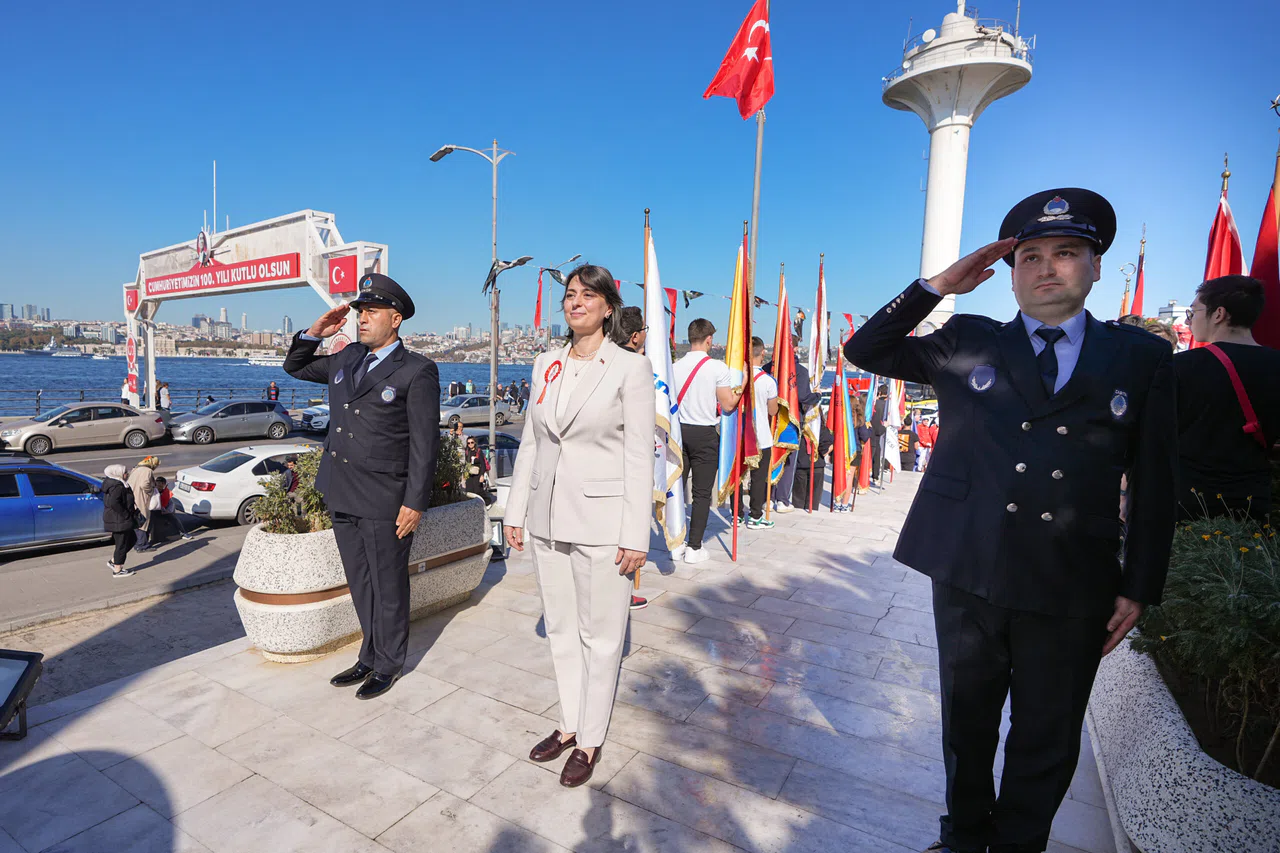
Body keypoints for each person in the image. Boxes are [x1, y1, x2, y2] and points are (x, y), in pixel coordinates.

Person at [844, 188, 1177, 853]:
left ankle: (1019, 843)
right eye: (1029, 256)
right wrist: (938, 285)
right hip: (971, 571)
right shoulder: (970, 339)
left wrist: (1138, 584)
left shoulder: (1138, 359)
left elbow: (1154, 478)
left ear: (1096, 266)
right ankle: (964, 836)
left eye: (1066, 252)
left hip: (1072, 581)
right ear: (1010, 269)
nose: (1046, 268)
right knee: (966, 726)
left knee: (1047, 737)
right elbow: (866, 348)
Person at [504, 264, 654, 788]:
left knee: (603, 636)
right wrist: (515, 509)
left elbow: (640, 456)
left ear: (607, 307)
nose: (576, 303)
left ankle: (590, 740)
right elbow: (532, 442)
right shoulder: (546, 362)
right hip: (548, 518)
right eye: (570, 294)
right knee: (563, 630)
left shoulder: (630, 368)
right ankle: (568, 724)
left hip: (603, 523)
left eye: (588, 296)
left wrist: (637, 535)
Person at [285, 272, 441, 701]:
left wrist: (415, 502)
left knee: (388, 584)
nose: (361, 318)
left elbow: (425, 445)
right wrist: (314, 333)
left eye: (371, 312)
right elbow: (294, 367)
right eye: (359, 311)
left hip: (385, 497)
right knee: (361, 582)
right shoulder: (346, 357)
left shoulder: (416, 371)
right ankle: (369, 655)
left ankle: (389, 664)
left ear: (396, 319)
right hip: (342, 490)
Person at [1176, 274, 1280, 519]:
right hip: (1253, 502)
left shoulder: (1179, 366)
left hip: (1188, 502)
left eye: (1193, 312)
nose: (1189, 320)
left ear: (1219, 314)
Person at [673, 319, 744, 563]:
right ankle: (694, 547)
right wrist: (744, 384)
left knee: (675, 489)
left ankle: (675, 542)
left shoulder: (674, 366)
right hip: (704, 433)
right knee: (701, 493)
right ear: (709, 340)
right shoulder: (717, 367)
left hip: (678, 432)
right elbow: (727, 404)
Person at [747, 337, 779, 529]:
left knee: (739, 474)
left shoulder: (736, 376)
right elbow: (773, 410)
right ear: (762, 353)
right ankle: (755, 515)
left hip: (740, 435)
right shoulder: (767, 381)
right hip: (761, 436)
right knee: (758, 478)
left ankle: (736, 514)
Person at [102, 465, 138, 578]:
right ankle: (117, 569)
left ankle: (114, 561)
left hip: (118, 519)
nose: (127, 474)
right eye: (125, 472)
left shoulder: (115, 483)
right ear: (117, 473)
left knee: (132, 539)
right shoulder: (118, 486)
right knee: (121, 544)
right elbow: (114, 503)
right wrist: (125, 514)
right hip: (119, 520)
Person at [792, 422, 833, 512]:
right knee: (813, 503)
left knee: (798, 503)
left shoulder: (797, 425)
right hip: (816, 466)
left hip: (800, 465)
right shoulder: (821, 428)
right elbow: (824, 451)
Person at [127, 456, 160, 552]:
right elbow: (144, 484)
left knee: (138, 520)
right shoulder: (147, 471)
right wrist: (151, 491)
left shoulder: (136, 469)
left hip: (134, 497)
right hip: (141, 498)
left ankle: (138, 543)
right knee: (143, 522)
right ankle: (142, 545)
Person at [151, 477, 193, 541]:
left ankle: (183, 533)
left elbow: (171, 506)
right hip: (153, 511)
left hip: (164, 511)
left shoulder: (167, 493)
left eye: (161, 484)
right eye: (157, 484)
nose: (159, 486)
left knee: (173, 518)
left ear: (164, 485)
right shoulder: (152, 492)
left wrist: (166, 511)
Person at [464, 435, 493, 505]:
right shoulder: (467, 452)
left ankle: (486, 502)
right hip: (470, 474)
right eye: (468, 443)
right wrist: (464, 475)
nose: (470, 444)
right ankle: (473, 505)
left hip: (478, 474)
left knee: (478, 491)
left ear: (475, 443)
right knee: (469, 490)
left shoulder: (479, 451)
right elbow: (466, 464)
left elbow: (483, 464)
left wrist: (482, 475)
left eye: (472, 442)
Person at [870, 384, 889, 485]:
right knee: (876, 454)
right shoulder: (886, 405)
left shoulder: (873, 403)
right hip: (878, 431)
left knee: (875, 454)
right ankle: (875, 475)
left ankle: (874, 475)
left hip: (870, 430)